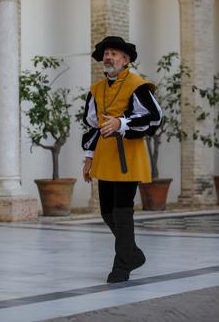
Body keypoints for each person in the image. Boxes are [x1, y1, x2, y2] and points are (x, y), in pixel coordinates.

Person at [81, 36, 162, 283]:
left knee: (122, 212)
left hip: (129, 155)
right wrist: (88, 158)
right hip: (105, 157)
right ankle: (133, 253)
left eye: (114, 53)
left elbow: (155, 117)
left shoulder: (138, 84)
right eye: (106, 53)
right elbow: (93, 126)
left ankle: (122, 266)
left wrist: (122, 122)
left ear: (125, 60)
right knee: (107, 212)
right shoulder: (96, 89)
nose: (109, 57)